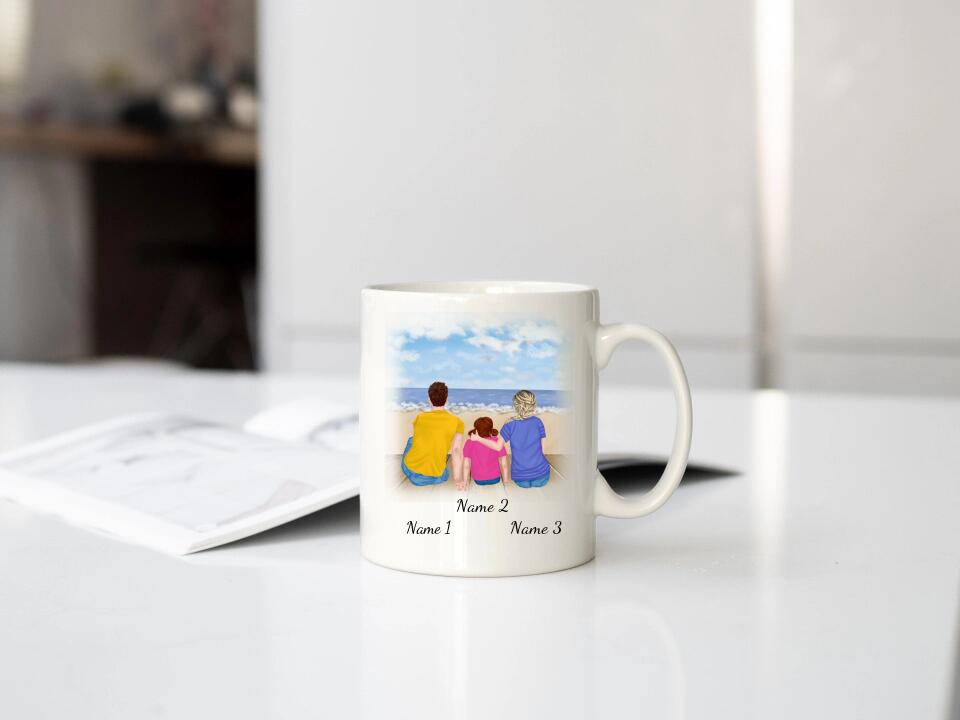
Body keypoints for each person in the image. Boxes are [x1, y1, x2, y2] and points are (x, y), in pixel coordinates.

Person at [468, 389, 550, 488]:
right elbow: (543, 449)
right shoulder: (538, 422)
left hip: (521, 477)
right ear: (533, 405)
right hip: (542, 475)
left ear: (516, 406)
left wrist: (478, 439)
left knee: (524, 484)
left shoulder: (510, 424)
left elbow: (497, 447)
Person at [401, 381, 464, 486]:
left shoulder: (420, 417)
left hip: (410, 470)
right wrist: (458, 479)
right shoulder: (457, 422)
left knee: (412, 439)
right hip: (435, 476)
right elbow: (456, 450)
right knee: (445, 473)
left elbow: (416, 440)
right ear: (446, 399)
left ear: (429, 399)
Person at [462, 416, 509, 489]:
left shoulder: (469, 442)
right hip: (495, 478)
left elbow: (466, 465)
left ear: (476, 429)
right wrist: (505, 480)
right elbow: (503, 464)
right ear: (491, 428)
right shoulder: (497, 442)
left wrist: (465, 481)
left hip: (478, 479)